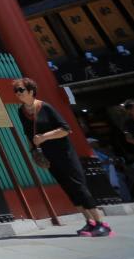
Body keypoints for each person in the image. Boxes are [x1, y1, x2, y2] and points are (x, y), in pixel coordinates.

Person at [13, 77, 111, 237]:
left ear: (31, 91)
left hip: (64, 153)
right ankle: (89, 221)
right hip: (47, 155)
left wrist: (44, 137)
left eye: (21, 90)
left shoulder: (45, 107)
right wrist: (33, 151)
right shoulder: (21, 111)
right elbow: (27, 133)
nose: (18, 93)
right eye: (16, 91)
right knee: (67, 187)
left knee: (78, 186)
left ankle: (101, 223)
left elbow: (65, 129)